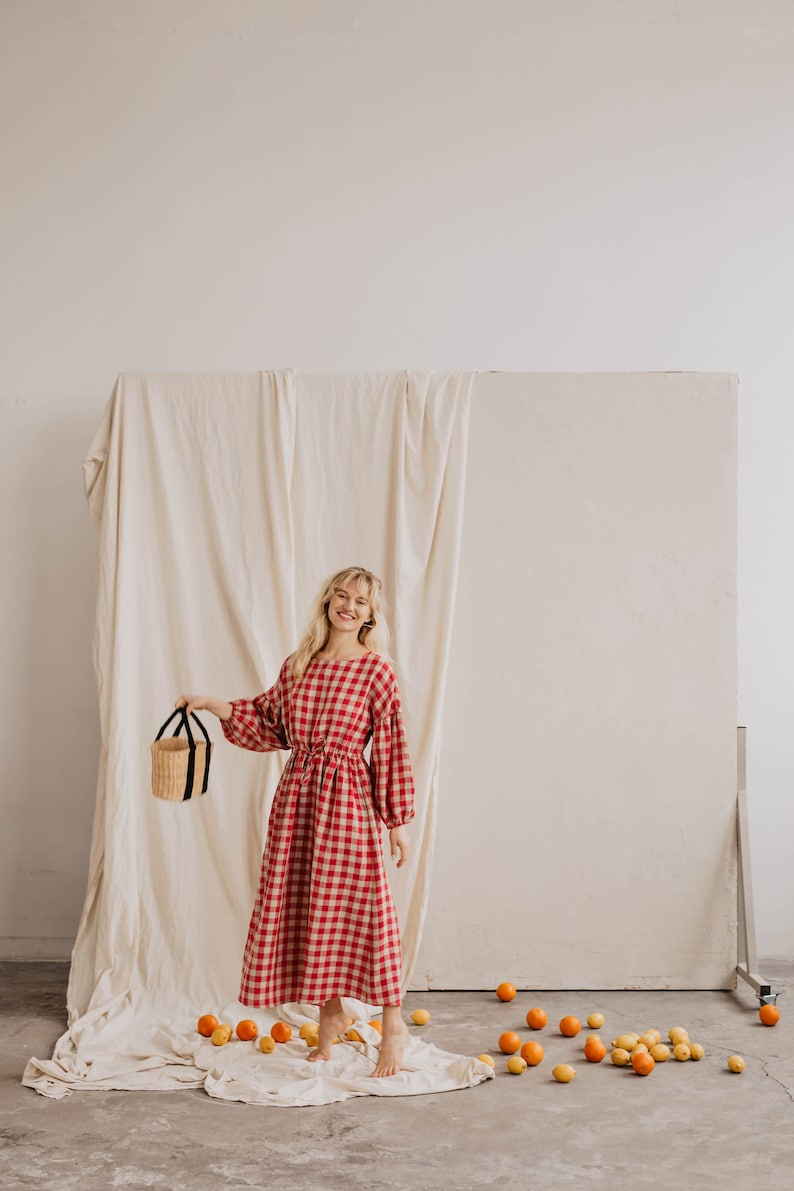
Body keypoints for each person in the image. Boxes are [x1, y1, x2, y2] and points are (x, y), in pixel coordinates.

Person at [177, 566, 415, 1078]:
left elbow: (392, 745)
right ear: (327, 602)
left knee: (368, 912)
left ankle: (393, 1025)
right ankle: (330, 1013)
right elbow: (268, 723)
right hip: (297, 801)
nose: (348, 606)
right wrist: (213, 704)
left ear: (373, 614)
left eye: (361, 601)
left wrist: (396, 820)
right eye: (341, 596)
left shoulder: (377, 671)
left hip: (350, 801)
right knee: (312, 905)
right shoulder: (300, 664)